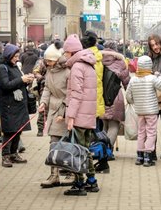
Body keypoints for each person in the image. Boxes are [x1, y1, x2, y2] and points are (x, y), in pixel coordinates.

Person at [63, 34, 98, 196]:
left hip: (79, 115)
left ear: (71, 51)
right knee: (85, 149)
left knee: (77, 151)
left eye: (65, 52)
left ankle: (79, 183)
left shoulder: (77, 67)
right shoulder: (89, 64)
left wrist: (70, 117)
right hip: (88, 114)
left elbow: (76, 94)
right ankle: (92, 181)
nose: (64, 55)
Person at [38, 41, 71, 188]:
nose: (47, 62)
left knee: (65, 142)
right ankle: (54, 174)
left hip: (64, 110)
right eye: (46, 60)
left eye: (50, 60)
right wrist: (43, 102)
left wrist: (63, 113)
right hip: (52, 110)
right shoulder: (50, 71)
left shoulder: (68, 71)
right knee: (54, 142)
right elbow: (46, 88)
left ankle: (69, 172)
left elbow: (70, 94)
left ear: (58, 59)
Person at [0, 44, 34, 167]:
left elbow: (18, 83)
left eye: (18, 56)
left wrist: (27, 80)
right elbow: (5, 85)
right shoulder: (2, 68)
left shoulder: (15, 67)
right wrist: (21, 80)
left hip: (19, 104)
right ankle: (5, 156)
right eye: (15, 56)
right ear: (8, 55)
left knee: (18, 129)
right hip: (8, 105)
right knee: (9, 131)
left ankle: (14, 153)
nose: (17, 58)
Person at [126, 56, 161, 167]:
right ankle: (148, 157)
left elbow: (128, 96)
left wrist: (134, 102)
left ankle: (139, 157)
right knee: (151, 133)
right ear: (149, 66)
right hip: (151, 111)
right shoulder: (152, 78)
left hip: (139, 111)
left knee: (141, 133)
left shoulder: (133, 79)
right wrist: (160, 76)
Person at [100, 41, 130, 151]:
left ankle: (101, 149)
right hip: (116, 97)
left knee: (104, 125)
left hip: (100, 97)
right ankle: (106, 151)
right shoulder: (120, 62)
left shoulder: (98, 60)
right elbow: (127, 82)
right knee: (114, 125)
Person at [81, 30, 105, 120]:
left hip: (82, 105)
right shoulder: (98, 57)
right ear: (95, 42)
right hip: (97, 100)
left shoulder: (79, 58)